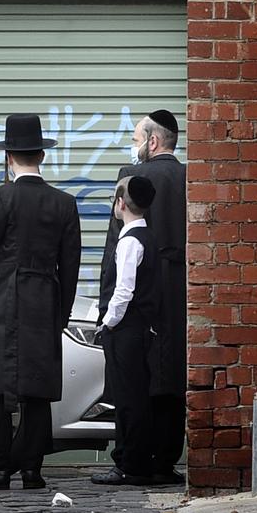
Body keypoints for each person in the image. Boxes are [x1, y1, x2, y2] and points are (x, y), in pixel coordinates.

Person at [0, 114, 81, 492]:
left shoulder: (2, 197)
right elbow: (70, 266)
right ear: (41, 155)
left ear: (9, 157)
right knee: (38, 390)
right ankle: (31, 470)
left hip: (3, 300)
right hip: (44, 299)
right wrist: (61, 312)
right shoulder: (64, 203)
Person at [98, 109, 187, 485]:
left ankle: (130, 458)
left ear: (153, 141)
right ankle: (164, 459)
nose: (134, 147)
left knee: (132, 382)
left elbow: (112, 250)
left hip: (136, 300)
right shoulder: (188, 177)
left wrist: (107, 307)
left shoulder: (131, 179)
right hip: (178, 293)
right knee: (170, 376)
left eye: (136, 139)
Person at [92, 176, 160, 485]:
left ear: (121, 204)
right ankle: (138, 461)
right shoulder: (148, 235)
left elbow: (123, 292)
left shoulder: (129, 240)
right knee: (136, 396)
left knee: (127, 398)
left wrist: (108, 323)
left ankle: (129, 464)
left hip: (126, 330)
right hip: (141, 328)